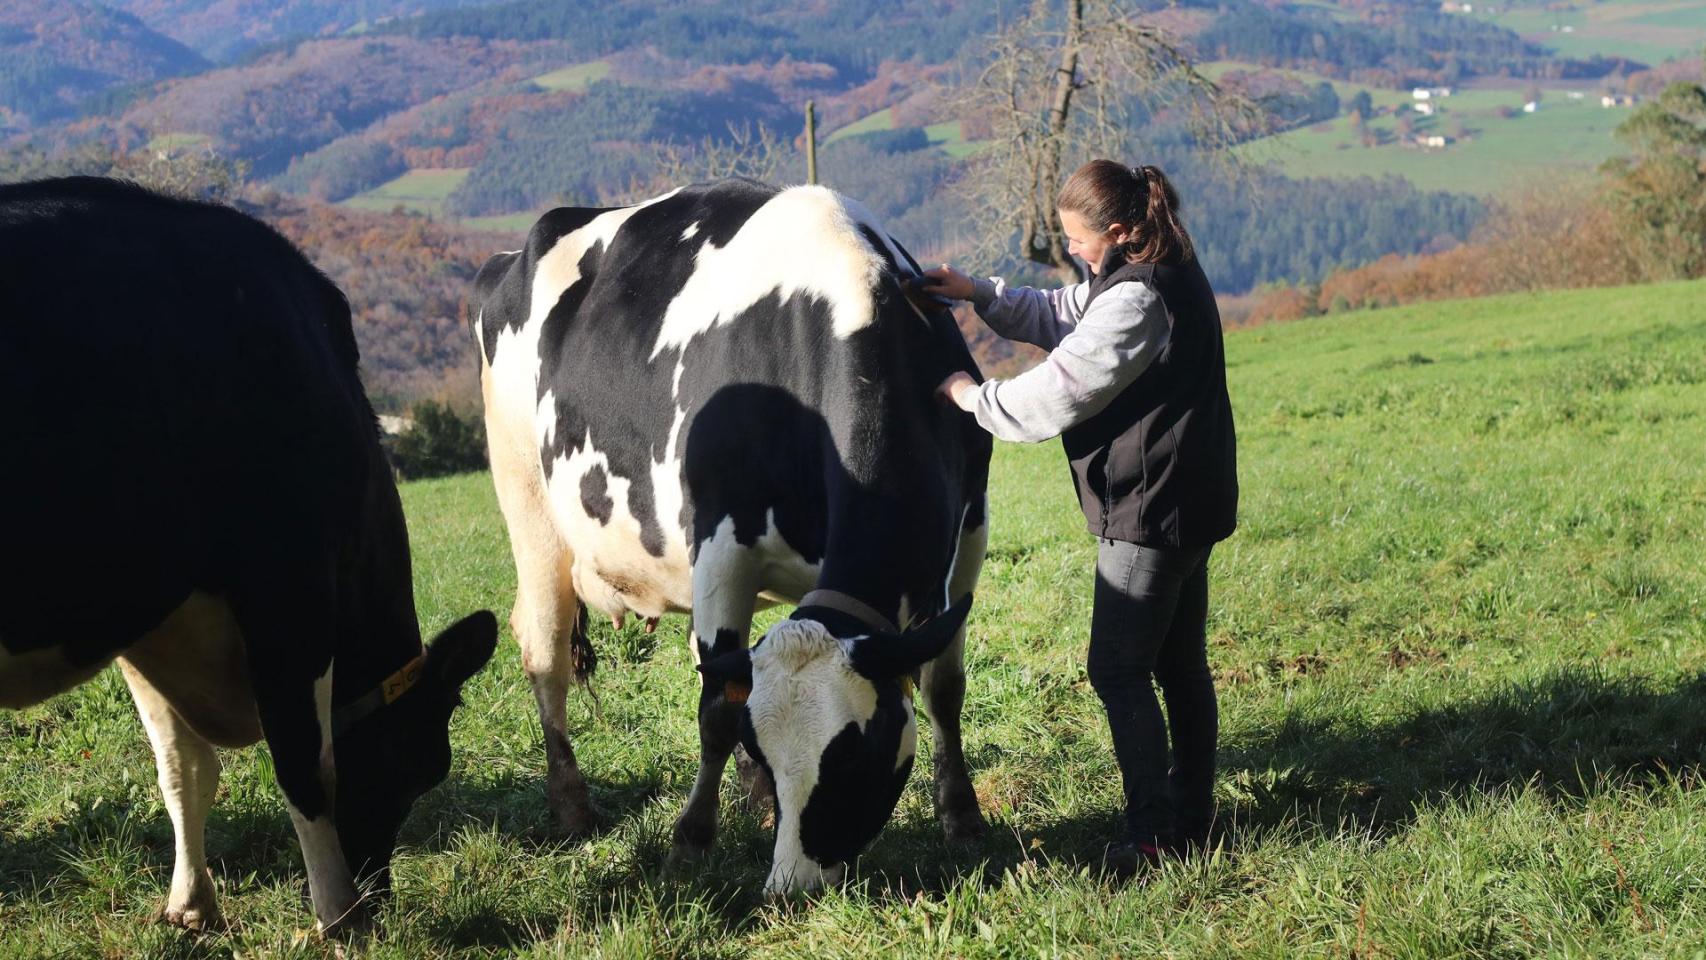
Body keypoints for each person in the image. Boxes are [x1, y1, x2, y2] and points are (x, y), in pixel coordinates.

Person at [919, 159, 1239, 875]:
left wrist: (972, 397)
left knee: (1117, 669)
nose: (1071, 254)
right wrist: (978, 294)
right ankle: (1192, 816)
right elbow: (1067, 314)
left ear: (1119, 232)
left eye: (1078, 242)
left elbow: (1054, 396)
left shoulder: (1137, 301)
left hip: (1151, 508)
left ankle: (1152, 838)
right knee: (1180, 664)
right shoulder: (1153, 264)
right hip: (1190, 495)